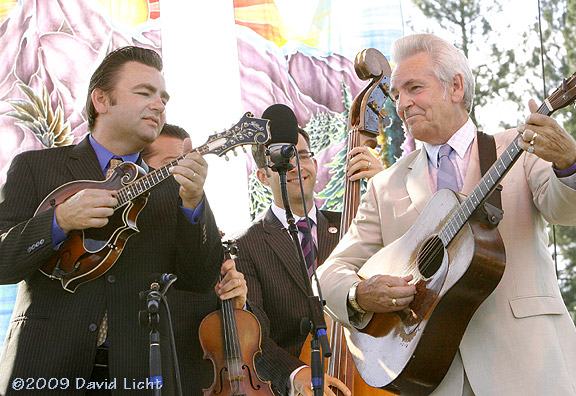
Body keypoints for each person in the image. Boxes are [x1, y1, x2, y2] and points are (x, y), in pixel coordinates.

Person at [316, 33, 576, 396]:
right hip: (432, 379)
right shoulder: (384, 186)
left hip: (530, 370)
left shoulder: (522, 146)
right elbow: (327, 276)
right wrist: (359, 295)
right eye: (397, 94)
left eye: (414, 88)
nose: (402, 104)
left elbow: (569, 210)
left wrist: (567, 160)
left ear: (456, 87)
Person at [0, 46, 224, 395]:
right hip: (45, 367)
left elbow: (199, 280)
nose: (159, 105)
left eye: (163, 97)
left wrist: (194, 202)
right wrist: (59, 219)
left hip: (139, 373)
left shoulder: (173, 189)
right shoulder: (35, 168)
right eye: (144, 93)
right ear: (101, 100)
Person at [232, 125, 383, 396]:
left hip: (370, 374)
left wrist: (385, 186)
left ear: (314, 163)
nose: (294, 166)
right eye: (281, 161)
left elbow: (407, 259)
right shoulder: (244, 245)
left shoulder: (356, 225)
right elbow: (253, 334)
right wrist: (296, 374)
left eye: (301, 156)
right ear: (263, 177)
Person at [140, 123, 249, 395]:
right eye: (170, 166)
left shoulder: (209, 238)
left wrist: (240, 306)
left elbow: (259, 334)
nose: (184, 174)